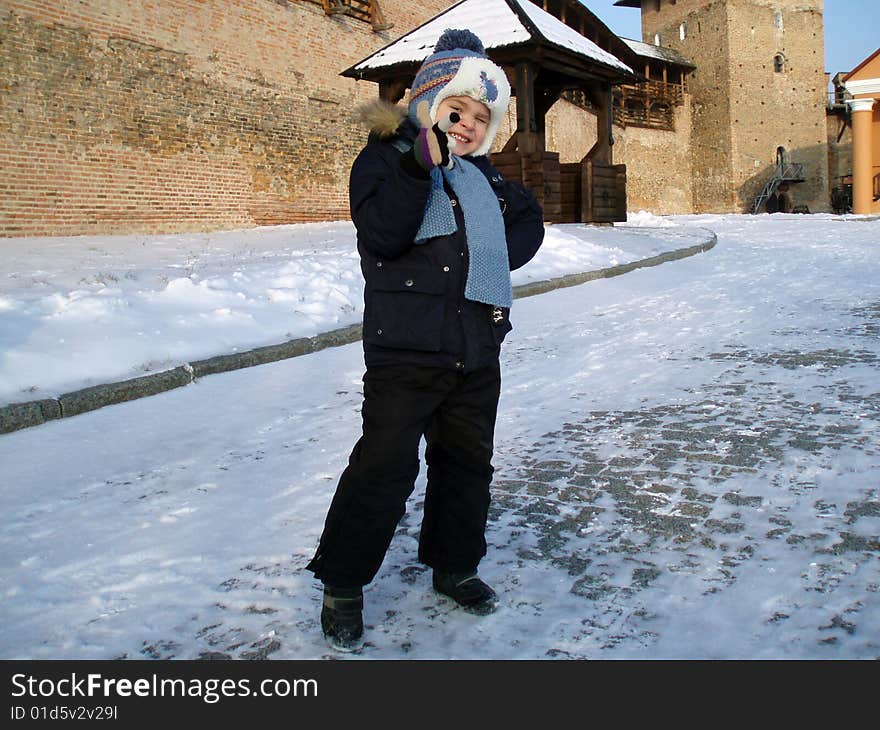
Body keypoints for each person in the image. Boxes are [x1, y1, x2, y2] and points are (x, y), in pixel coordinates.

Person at [305, 28, 545, 651]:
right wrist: (419, 166)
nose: (466, 124)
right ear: (426, 103)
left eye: (480, 117)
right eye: (456, 109)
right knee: (384, 467)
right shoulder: (385, 159)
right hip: (405, 349)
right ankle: (344, 582)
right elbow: (384, 234)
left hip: (475, 345)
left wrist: (495, 257)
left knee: (466, 464)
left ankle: (454, 566)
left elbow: (526, 220)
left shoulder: (483, 179)